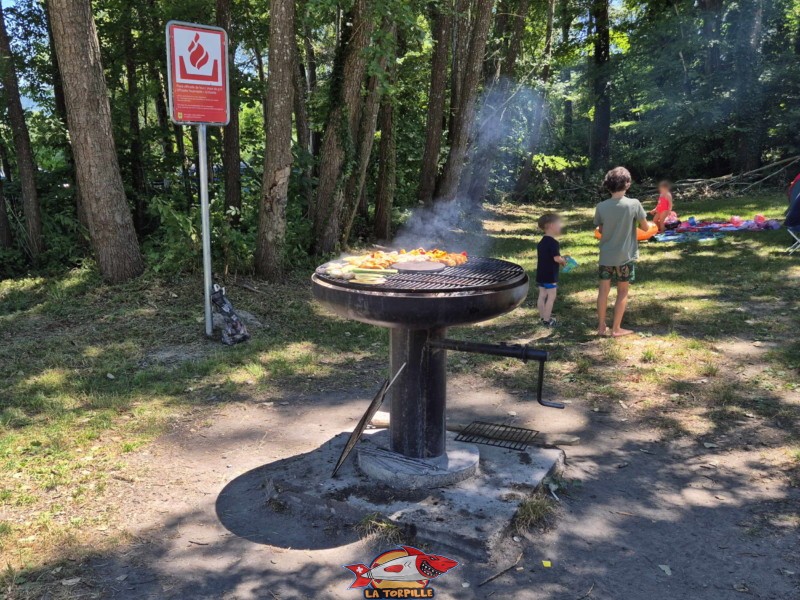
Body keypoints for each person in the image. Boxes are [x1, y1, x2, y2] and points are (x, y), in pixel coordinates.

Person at [594, 167, 649, 337]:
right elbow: (645, 227)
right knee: (622, 291)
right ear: (627, 184)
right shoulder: (634, 204)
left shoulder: (601, 206)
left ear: (607, 185)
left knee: (603, 291)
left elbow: (601, 229)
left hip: (606, 256)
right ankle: (616, 329)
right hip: (625, 257)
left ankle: (601, 327)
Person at [535, 213, 567, 327]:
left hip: (541, 274)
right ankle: (547, 320)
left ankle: (542, 317)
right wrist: (563, 261)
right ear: (552, 225)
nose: (560, 227)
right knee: (551, 296)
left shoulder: (541, 242)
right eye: (559, 224)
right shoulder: (553, 243)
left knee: (542, 295)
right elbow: (556, 258)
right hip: (550, 275)